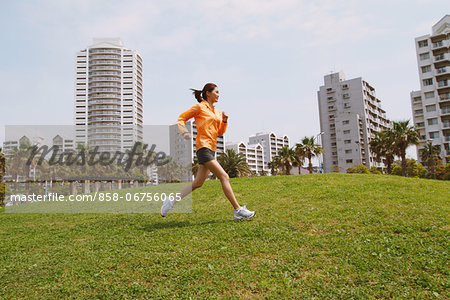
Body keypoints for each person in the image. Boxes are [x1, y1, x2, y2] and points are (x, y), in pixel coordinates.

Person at [161, 83, 256, 220]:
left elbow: (220, 133)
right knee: (224, 177)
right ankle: (238, 210)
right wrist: (185, 132)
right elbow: (181, 118)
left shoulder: (217, 112)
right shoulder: (200, 107)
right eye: (216, 92)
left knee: (198, 183)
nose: (218, 94)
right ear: (208, 93)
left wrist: (224, 121)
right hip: (203, 147)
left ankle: (170, 201)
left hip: (212, 149)